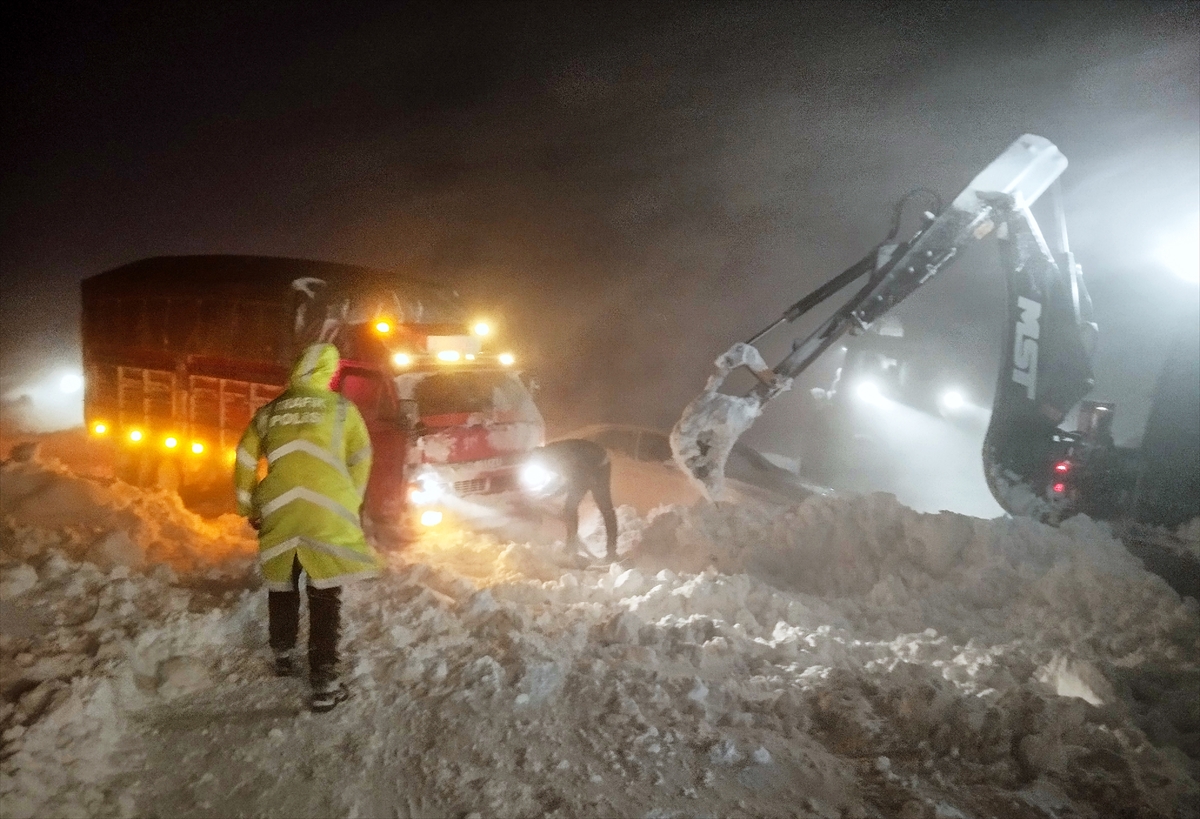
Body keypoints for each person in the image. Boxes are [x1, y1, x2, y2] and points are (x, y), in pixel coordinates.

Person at [234, 342, 380, 712]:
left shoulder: (268, 412)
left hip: (280, 509)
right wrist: (351, 500)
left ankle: (283, 654)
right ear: (330, 373)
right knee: (324, 593)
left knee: (282, 583)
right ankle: (324, 680)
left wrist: (246, 504)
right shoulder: (344, 410)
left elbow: (245, 457)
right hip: (327, 512)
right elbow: (361, 457)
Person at [524, 439, 618, 562]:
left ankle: (611, 552)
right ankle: (571, 546)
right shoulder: (549, 457)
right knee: (569, 508)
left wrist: (549, 495)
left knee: (605, 507)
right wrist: (543, 493)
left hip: (599, 465)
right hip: (581, 466)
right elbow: (560, 479)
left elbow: (573, 483)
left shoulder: (561, 459)